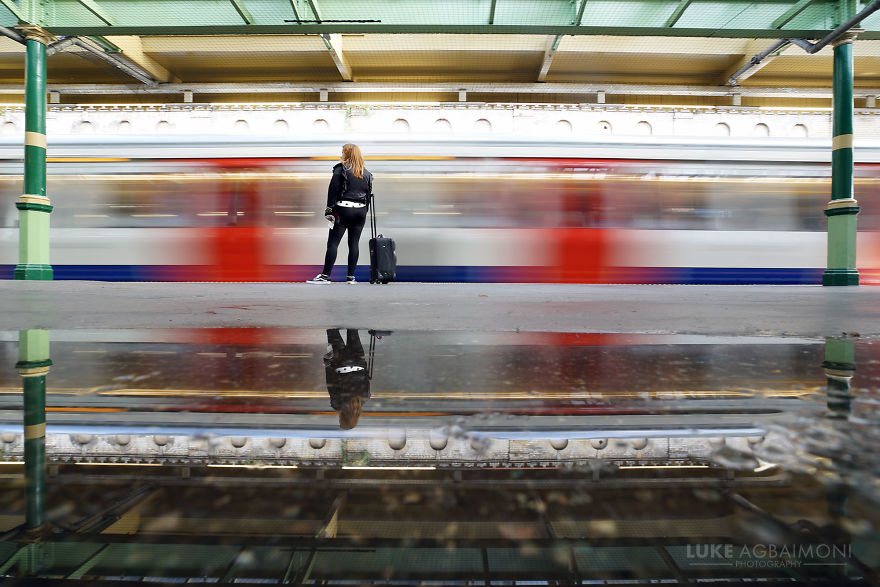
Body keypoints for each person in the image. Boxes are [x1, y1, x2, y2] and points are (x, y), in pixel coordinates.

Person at [307, 143, 373, 284]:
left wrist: (329, 209)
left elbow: (333, 190)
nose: (341, 154)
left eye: (342, 152)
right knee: (353, 244)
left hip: (343, 210)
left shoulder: (341, 168)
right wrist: (363, 211)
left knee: (333, 243)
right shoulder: (366, 173)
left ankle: (325, 276)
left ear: (347, 154)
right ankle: (350, 277)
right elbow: (368, 196)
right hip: (360, 211)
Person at [323, 328, 370, 429]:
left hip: (358, 362)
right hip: (340, 363)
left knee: (353, 330)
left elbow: (366, 379)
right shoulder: (337, 404)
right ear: (342, 418)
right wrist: (327, 363)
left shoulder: (364, 399)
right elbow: (330, 382)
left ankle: (351, 314)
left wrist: (362, 364)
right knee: (332, 331)